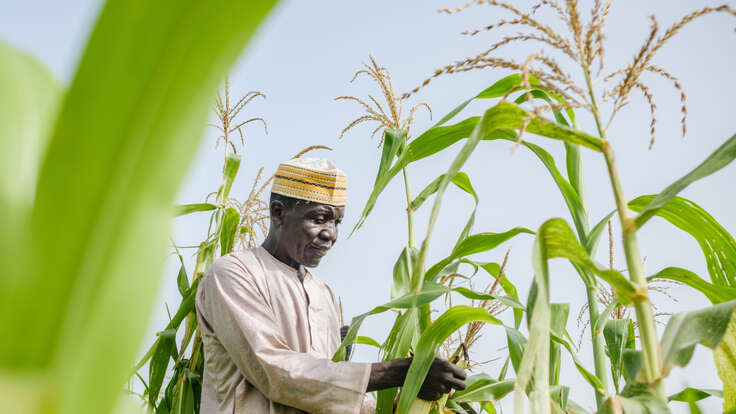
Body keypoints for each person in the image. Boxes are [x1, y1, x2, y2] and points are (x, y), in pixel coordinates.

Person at [195, 157, 466, 413]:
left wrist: (402, 404)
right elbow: (274, 372)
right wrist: (399, 372)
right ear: (278, 213)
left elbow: (326, 393)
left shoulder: (322, 294)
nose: (331, 235)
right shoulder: (235, 273)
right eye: (319, 218)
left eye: (337, 222)